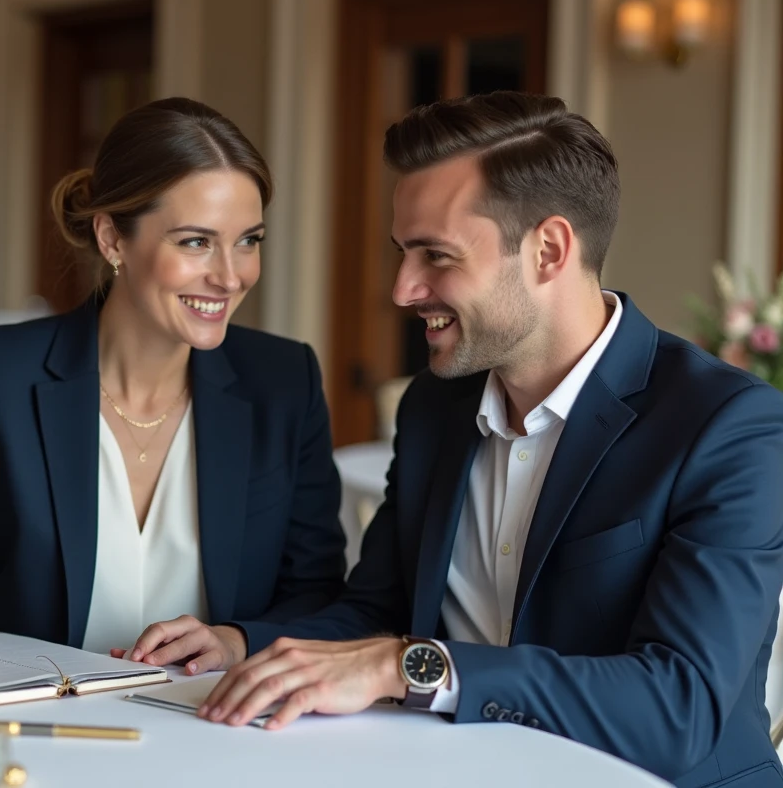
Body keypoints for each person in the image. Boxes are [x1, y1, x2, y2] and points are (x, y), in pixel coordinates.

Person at [173, 91, 783, 786]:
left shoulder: (728, 426)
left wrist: (408, 665)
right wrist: (240, 641)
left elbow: (678, 708)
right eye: (403, 253)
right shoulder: (436, 404)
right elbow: (379, 610)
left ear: (548, 250)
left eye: (435, 256)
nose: (403, 289)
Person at [0, 97, 347, 673]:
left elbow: (321, 594)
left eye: (249, 240)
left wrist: (235, 639)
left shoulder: (283, 381)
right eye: (196, 241)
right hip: (38, 725)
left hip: (219, 723)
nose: (231, 275)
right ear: (112, 239)